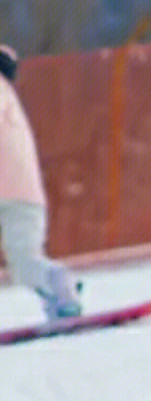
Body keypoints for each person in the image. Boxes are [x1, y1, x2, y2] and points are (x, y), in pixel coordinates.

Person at [0, 45, 82, 321]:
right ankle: (57, 290)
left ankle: (57, 284)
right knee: (25, 261)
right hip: (26, 191)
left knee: (24, 262)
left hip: (9, 191)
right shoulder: (8, 94)